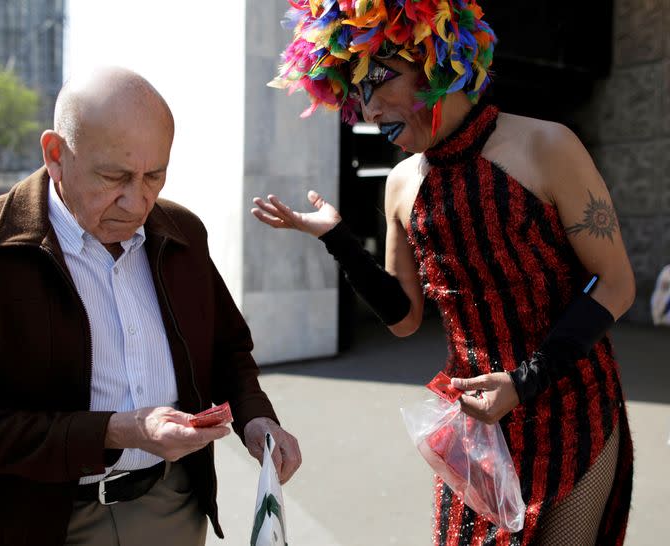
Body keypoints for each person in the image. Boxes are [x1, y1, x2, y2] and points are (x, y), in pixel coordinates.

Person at [254, 2, 633, 545]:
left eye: (379, 78)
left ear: (435, 62)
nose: (368, 106)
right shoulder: (402, 183)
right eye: (355, 90)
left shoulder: (547, 146)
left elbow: (616, 283)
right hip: (477, 424)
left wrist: (526, 382)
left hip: (575, 406)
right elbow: (406, 318)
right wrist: (336, 238)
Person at [0, 67, 301, 546]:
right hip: (34, 521)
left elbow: (228, 350)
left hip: (172, 508)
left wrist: (255, 417)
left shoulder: (182, 231)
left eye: (154, 175)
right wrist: (117, 431)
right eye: (113, 177)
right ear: (55, 154)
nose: (138, 201)